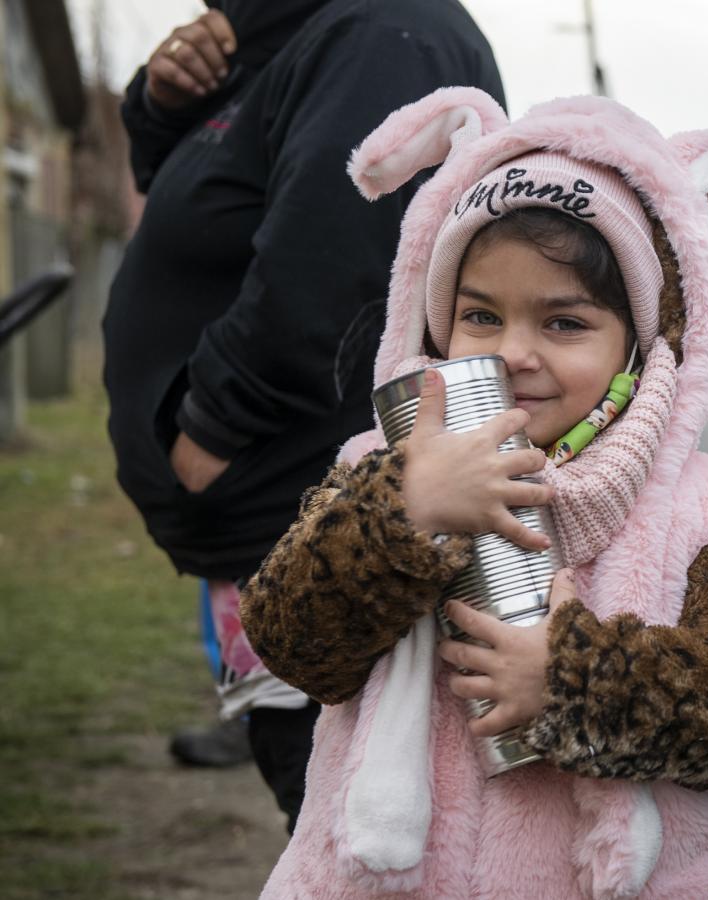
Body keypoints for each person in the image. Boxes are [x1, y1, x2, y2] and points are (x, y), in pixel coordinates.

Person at [238, 88, 708, 897]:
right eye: (480, 316)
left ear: (636, 347)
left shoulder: (694, 509)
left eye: (565, 323)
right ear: (437, 326)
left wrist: (576, 679)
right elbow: (290, 643)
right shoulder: (384, 466)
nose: (515, 354)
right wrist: (403, 513)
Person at [102, 0, 502, 823]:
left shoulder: (384, 34)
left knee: (359, 837)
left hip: (311, 513)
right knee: (321, 820)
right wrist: (161, 108)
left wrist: (211, 428)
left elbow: (334, 258)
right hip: (270, 522)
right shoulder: (284, 39)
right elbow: (195, 204)